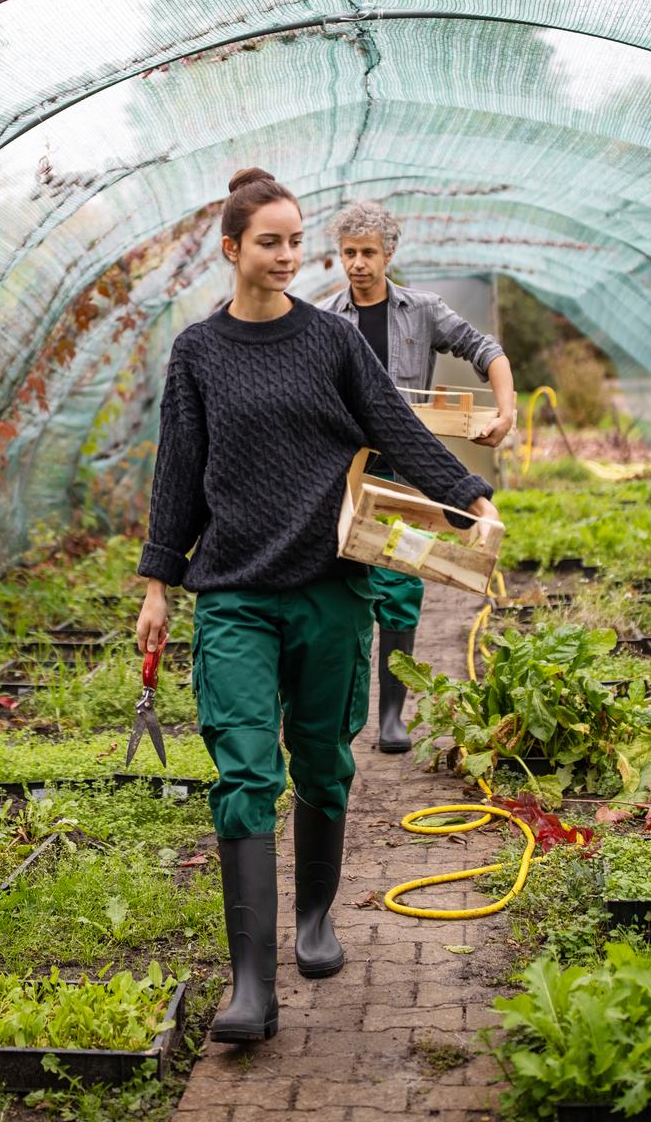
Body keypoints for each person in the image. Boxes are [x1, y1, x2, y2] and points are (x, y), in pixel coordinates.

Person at [136, 168, 498, 1045]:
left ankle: (315, 921)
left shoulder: (333, 343)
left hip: (330, 591)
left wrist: (471, 498)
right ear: (231, 250)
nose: (290, 256)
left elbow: (397, 429)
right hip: (233, 598)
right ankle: (251, 989)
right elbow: (178, 469)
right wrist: (158, 582)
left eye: (298, 240)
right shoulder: (198, 352)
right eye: (272, 242)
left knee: (323, 764)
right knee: (246, 775)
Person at [316, 201, 516, 753]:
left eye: (368, 253)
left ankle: (392, 716)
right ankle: (341, 711)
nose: (358, 264)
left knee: (402, 583)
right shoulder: (325, 318)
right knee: (346, 583)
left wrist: (507, 410)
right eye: (349, 253)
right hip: (349, 468)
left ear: (389, 254)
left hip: (406, 467)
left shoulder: (421, 310)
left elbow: (485, 349)